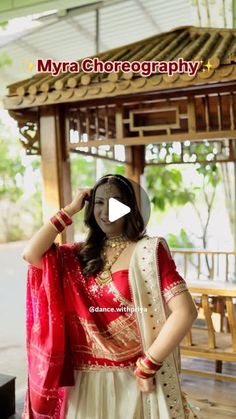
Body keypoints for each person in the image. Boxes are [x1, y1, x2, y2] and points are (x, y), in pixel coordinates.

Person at [22, 173, 198, 419]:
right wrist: (71, 209)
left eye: (115, 202)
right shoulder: (77, 255)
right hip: (83, 382)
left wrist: (149, 364)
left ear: (129, 209)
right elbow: (32, 254)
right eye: (99, 202)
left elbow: (186, 311)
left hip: (131, 378)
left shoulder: (148, 251)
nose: (105, 211)